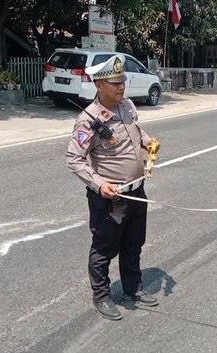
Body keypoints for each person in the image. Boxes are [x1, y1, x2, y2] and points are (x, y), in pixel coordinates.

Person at [66, 54, 159, 321]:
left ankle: (132, 288)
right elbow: (74, 159)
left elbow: (136, 131)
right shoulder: (89, 120)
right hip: (111, 196)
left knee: (134, 243)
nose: (121, 87)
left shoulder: (127, 105)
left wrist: (147, 141)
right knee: (104, 249)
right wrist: (98, 184)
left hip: (136, 191)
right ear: (99, 85)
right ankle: (102, 297)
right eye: (114, 83)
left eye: (123, 81)